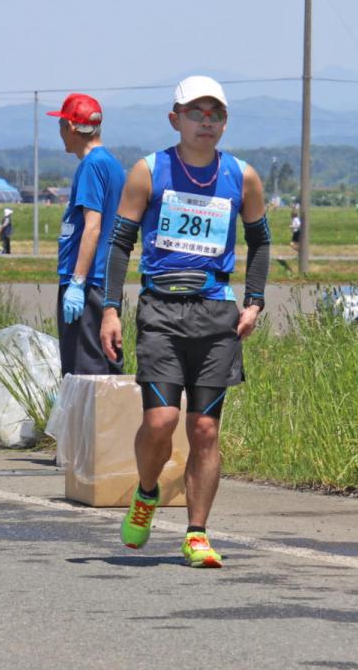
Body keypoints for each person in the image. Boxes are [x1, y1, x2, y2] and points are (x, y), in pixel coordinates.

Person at [99, 75, 269, 569]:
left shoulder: (243, 176)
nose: (206, 122)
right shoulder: (149, 171)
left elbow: (260, 242)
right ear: (175, 119)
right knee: (161, 421)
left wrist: (254, 302)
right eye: (196, 112)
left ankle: (197, 533)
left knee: (205, 429)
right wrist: (110, 309)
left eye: (215, 113)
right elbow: (119, 243)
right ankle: (147, 493)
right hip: (161, 310)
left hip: (216, 312)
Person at [47, 93, 126, 376]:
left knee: (85, 371)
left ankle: (91, 422)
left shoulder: (92, 166)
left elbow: (92, 225)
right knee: (103, 364)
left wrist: (77, 283)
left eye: (60, 126)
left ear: (70, 127)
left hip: (88, 281)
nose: (59, 134)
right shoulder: (111, 164)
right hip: (102, 281)